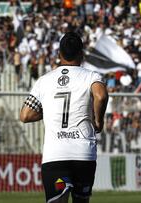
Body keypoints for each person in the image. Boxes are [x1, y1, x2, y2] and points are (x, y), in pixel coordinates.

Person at [20, 32, 109, 203]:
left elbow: (25, 115)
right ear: (81, 54)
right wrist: (98, 120)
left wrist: (50, 112)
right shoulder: (91, 76)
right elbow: (101, 96)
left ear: (59, 54)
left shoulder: (44, 81)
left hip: (55, 155)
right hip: (83, 153)